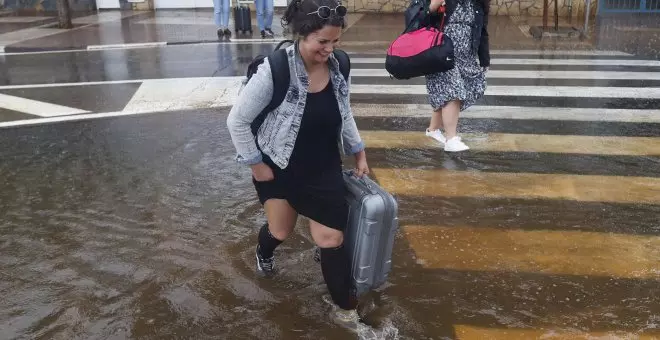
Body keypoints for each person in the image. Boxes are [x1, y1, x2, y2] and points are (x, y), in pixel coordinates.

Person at [226, 0, 369, 330]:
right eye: (322, 42)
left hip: (322, 166)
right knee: (281, 230)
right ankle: (264, 253)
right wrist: (256, 166)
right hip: (278, 166)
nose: (330, 50)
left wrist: (358, 151)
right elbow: (236, 122)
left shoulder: (338, 66)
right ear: (301, 35)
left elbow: (344, 112)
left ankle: (346, 312)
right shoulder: (275, 69)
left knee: (332, 237)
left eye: (335, 42)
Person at [424, 0, 490, 152]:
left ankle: (433, 130)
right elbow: (420, 14)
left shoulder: (479, 3)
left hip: (466, 56)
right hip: (441, 53)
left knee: (462, 89)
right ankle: (451, 139)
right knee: (453, 91)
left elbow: (483, 31)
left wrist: (484, 60)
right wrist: (433, 6)